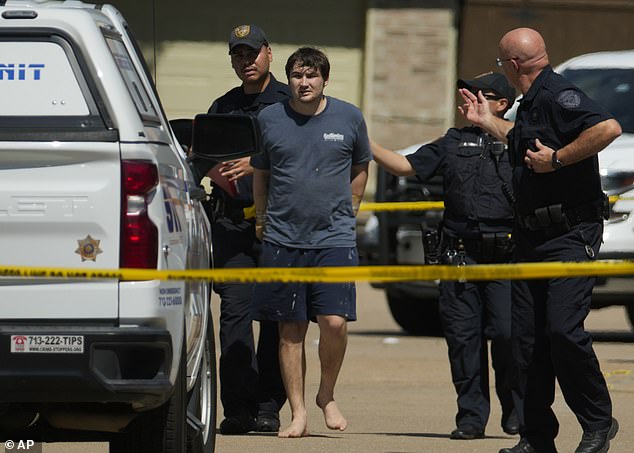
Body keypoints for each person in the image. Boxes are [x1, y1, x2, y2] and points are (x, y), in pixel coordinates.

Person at [459, 28, 622, 453]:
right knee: (525, 341)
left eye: (501, 64)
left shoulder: (558, 94)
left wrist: (559, 159)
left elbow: (608, 128)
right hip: (532, 236)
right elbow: (519, 141)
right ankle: (535, 437)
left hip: (570, 234)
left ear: (512, 66)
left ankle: (598, 423)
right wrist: (486, 120)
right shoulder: (530, 103)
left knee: (564, 331)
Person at [372, 72, 519, 440]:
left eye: (482, 97)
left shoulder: (519, 140)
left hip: (505, 259)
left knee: (507, 335)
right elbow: (406, 166)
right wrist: (365, 142)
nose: (471, 102)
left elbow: (543, 155)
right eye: (469, 96)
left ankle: (516, 411)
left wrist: (493, 126)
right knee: (463, 339)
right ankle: (470, 417)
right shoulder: (453, 141)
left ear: (502, 104)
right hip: (460, 257)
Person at [251, 47, 371, 438]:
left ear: (324, 80)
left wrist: (351, 208)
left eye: (312, 76)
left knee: (334, 322)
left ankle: (326, 394)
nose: (304, 83)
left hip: (333, 238)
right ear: (289, 80)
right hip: (283, 239)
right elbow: (260, 173)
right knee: (290, 329)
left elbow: (360, 164)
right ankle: (298, 413)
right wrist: (263, 219)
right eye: (298, 76)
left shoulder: (349, 117)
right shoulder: (269, 119)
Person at [206, 24, 289, 435]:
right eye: (238, 55)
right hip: (233, 227)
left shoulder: (291, 104)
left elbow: (305, 157)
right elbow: (200, 155)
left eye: (252, 52)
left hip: (279, 228)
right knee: (234, 317)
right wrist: (212, 168)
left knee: (275, 317)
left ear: (269, 53)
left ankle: (269, 405)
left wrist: (257, 165)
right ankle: (237, 408)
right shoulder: (223, 106)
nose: (246, 61)